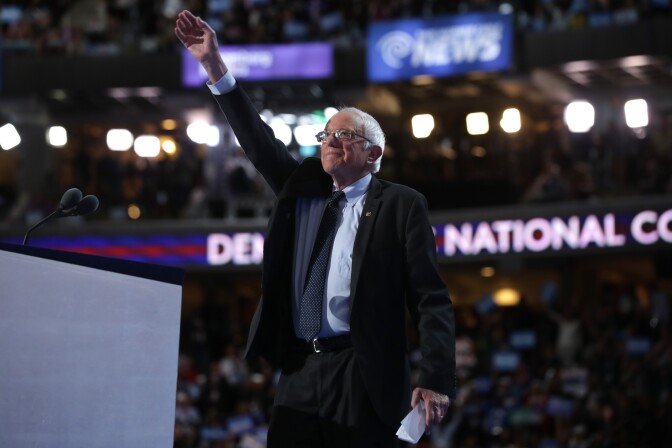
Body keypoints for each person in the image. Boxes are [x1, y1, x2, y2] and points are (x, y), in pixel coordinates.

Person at [175, 10, 456, 447]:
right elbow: (257, 140)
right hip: (302, 367)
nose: (330, 142)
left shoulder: (401, 204)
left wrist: (436, 377)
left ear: (373, 152)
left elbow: (430, 297)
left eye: (344, 136)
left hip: (363, 371)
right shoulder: (303, 190)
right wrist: (215, 67)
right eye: (326, 135)